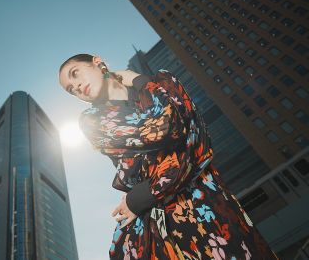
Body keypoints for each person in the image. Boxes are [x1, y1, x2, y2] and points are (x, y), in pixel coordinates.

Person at [58, 54, 279, 260]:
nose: (76, 87)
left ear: (98, 62)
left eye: (75, 73)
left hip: (213, 201)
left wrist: (145, 193)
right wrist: (149, 194)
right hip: (166, 218)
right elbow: (164, 129)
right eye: (70, 90)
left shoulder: (163, 81)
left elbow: (201, 144)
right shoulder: (93, 121)